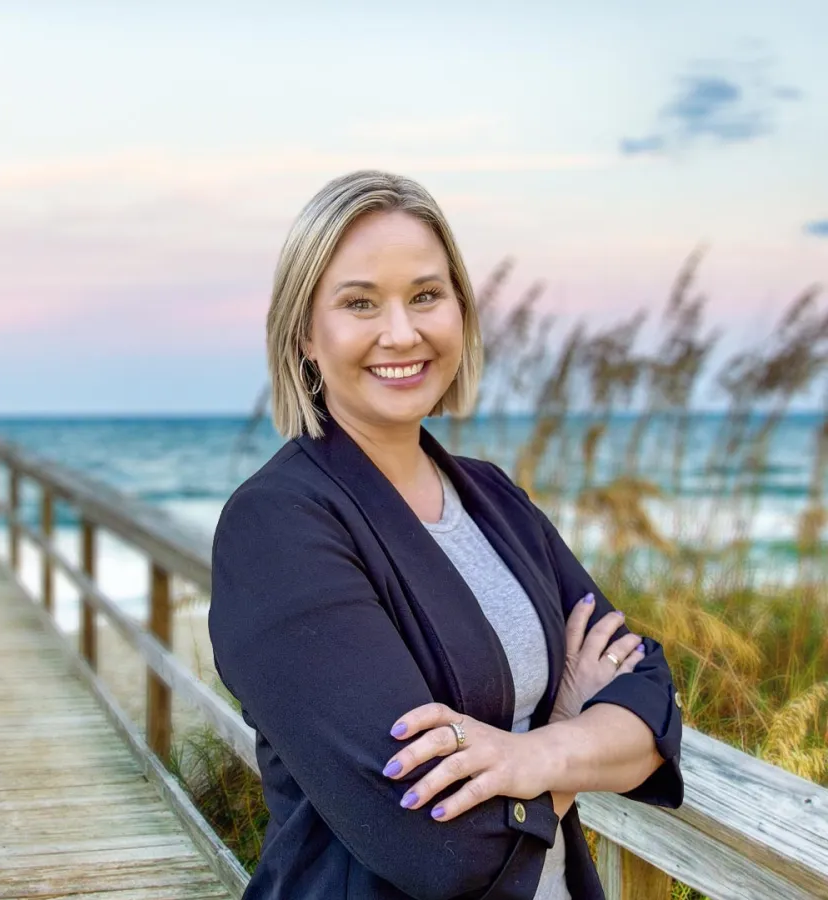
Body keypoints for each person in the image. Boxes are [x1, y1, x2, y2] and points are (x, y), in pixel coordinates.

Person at [207, 170, 685, 900]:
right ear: (304, 332)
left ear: (460, 310)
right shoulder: (277, 528)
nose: (402, 332)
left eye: (426, 295)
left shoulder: (492, 496)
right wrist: (578, 741)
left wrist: (536, 753)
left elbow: (649, 700)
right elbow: (441, 846)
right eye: (360, 302)